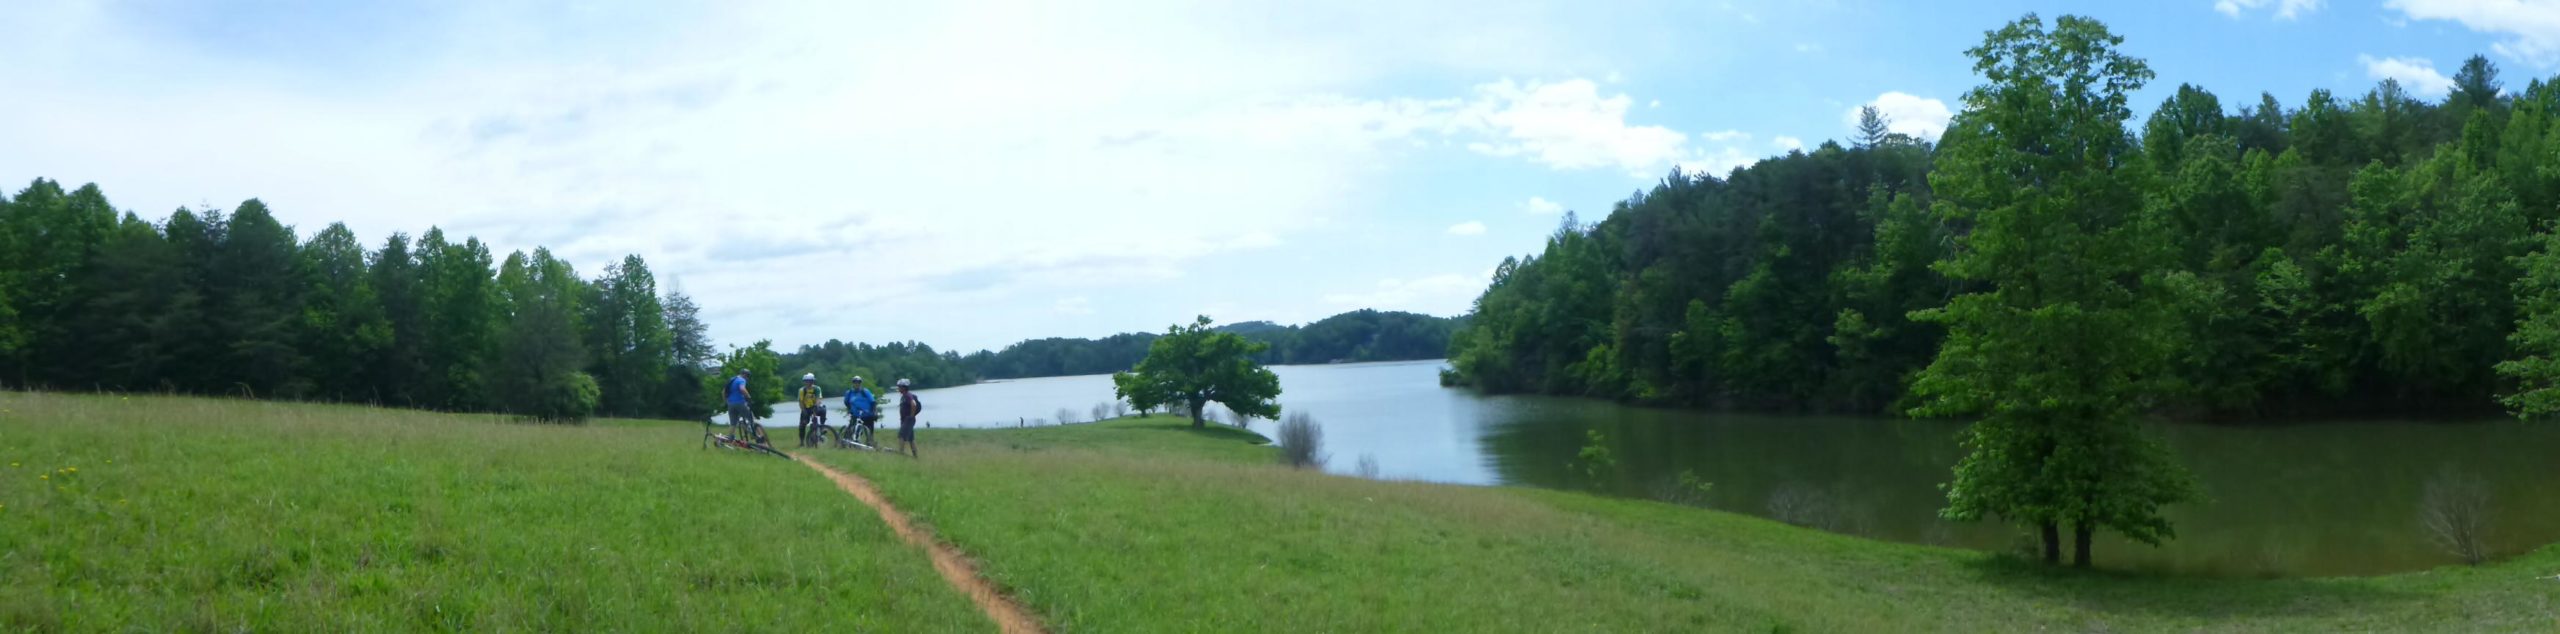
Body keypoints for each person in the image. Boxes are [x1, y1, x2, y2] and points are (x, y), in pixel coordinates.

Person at [725, 368, 764, 443]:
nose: (747, 378)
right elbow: (742, 389)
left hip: (730, 404)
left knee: (733, 423)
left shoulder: (731, 380)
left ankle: (730, 438)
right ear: (744, 375)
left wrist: (727, 402)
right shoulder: (742, 380)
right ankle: (756, 435)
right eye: (747, 376)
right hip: (740, 403)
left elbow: (723, 392)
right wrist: (749, 397)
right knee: (751, 418)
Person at [843, 375, 877, 445]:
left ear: (860, 383)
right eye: (855, 382)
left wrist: (873, 411)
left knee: (869, 431)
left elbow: (873, 402)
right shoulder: (849, 393)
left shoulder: (865, 392)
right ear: (853, 383)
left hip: (867, 415)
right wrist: (850, 410)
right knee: (851, 430)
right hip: (855, 415)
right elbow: (846, 402)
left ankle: (870, 443)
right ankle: (846, 443)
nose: (857, 384)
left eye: (858, 382)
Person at [894, 378, 924, 458]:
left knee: (901, 436)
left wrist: (911, 416)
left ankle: (901, 454)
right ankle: (915, 456)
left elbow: (913, 404)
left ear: (904, 387)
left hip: (908, 420)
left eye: (900, 386)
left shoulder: (907, 395)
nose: (899, 388)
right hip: (906, 420)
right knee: (911, 439)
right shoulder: (904, 396)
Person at [796, 373, 826, 445]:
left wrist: (816, 406)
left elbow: (818, 398)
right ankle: (802, 441)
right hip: (805, 408)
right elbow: (800, 402)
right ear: (804, 382)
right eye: (807, 381)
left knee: (823, 410)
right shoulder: (801, 390)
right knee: (802, 425)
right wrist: (803, 410)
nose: (808, 383)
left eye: (810, 381)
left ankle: (822, 427)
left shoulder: (817, 388)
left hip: (814, 406)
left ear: (813, 381)